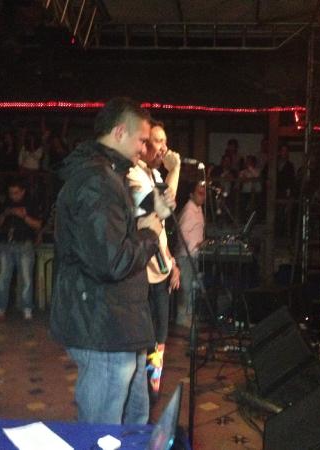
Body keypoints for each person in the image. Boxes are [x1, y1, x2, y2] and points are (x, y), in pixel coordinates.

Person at [50, 97, 165, 425]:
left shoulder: (108, 176)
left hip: (118, 323)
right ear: (119, 132)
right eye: (142, 140)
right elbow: (111, 261)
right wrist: (150, 234)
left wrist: (142, 227)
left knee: (134, 422)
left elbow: (107, 242)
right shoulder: (97, 181)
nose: (145, 149)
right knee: (102, 432)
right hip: (103, 325)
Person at [127, 120, 180, 397]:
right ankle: (145, 391)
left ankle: (152, 386)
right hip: (142, 271)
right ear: (145, 144)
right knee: (146, 337)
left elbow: (162, 228)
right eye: (158, 141)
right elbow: (163, 207)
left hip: (160, 267)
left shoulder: (155, 174)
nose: (164, 148)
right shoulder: (133, 174)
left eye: (165, 142)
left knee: (161, 336)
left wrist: (172, 262)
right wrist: (176, 170)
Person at [0, 178, 42, 321]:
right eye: (11, 193)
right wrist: (5, 214)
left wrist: (24, 216)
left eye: (16, 193)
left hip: (24, 244)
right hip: (6, 244)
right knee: (3, 278)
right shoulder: (4, 203)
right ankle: (0, 308)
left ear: (23, 191)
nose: (13, 196)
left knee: (26, 278)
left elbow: (38, 225)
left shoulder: (31, 203)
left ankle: (27, 308)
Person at [175, 181, 206, 329]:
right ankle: (182, 317)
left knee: (193, 287)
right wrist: (195, 244)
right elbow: (182, 233)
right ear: (191, 194)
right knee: (186, 287)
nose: (203, 196)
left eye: (204, 193)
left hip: (194, 254)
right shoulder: (188, 211)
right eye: (200, 193)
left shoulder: (199, 209)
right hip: (186, 255)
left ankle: (190, 315)